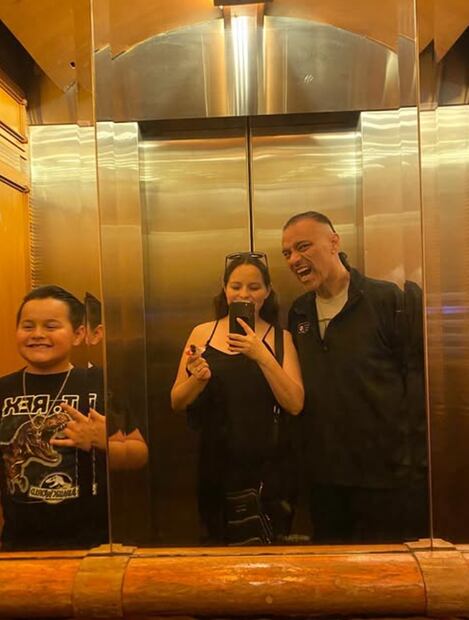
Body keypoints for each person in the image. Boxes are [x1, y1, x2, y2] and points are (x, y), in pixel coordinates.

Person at [281, 211, 428, 544]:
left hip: (385, 478)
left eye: (303, 247)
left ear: (334, 242)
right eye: (287, 253)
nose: (294, 259)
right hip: (325, 479)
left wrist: (413, 461)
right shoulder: (299, 311)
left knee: (387, 570)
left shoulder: (386, 299)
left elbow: (416, 380)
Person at [171, 252, 304, 544]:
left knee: (268, 550)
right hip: (215, 466)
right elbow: (177, 401)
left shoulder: (280, 338)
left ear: (267, 291)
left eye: (254, 287)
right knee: (217, 550)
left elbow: (295, 403)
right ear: (224, 288)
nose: (244, 294)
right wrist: (198, 379)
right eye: (235, 286)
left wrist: (261, 355)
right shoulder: (202, 334)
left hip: (268, 472)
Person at [0, 285, 108, 550]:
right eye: (28, 326)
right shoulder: (4, 389)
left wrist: (102, 440)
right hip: (17, 544)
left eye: (51, 326)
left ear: (78, 334)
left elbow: (139, 454)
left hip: (92, 544)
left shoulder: (99, 382)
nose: (38, 334)